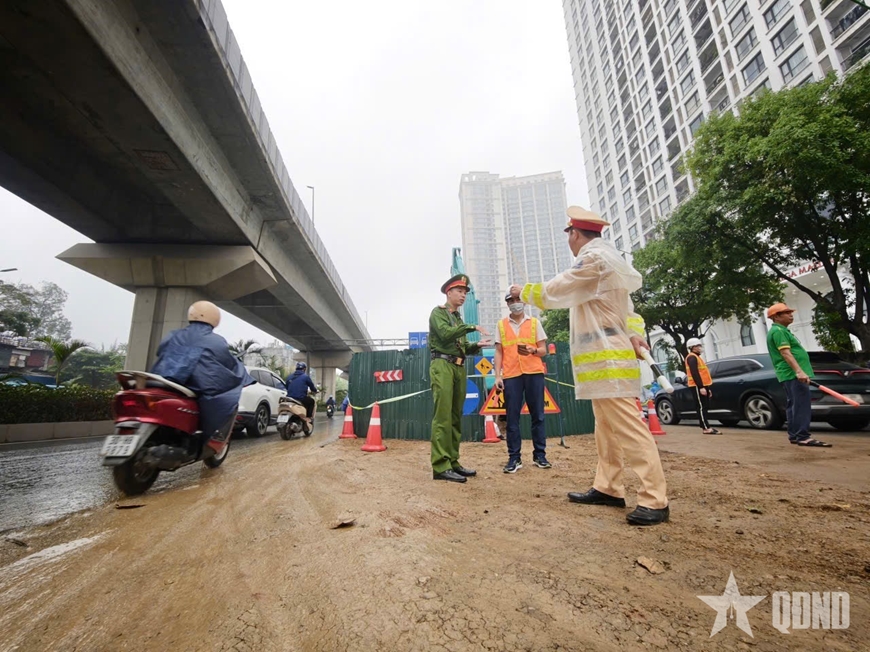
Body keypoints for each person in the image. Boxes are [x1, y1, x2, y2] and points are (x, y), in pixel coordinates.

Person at [509, 206, 669, 526]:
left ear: (576, 233)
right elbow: (631, 311)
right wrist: (636, 335)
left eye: (569, 233)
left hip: (607, 359)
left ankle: (654, 499)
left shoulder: (593, 259)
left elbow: (560, 288)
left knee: (628, 428)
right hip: (606, 360)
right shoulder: (610, 261)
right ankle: (608, 487)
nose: (569, 239)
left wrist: (523, 292)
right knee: (606, 429)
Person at [150, 301, 254, 456]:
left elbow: (161, 351)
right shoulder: (215, 340)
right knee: (223, 399)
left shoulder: (173, 334)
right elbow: (227, 362)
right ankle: (210, 439)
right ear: (214, 318)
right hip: (196, 384)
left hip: (165, 381)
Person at [429, 274, 491, 483]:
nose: (463, 295)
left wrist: (476, 345)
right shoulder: (438, 313)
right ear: (449, 292)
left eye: (465, 292)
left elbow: (461, 346)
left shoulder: (458, 319)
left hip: (458, 366)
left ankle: (453, 461)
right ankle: (440, 466)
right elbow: (446, 335)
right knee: (443, 416)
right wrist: (471, 327)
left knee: (456, 416)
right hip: (442, 365)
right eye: (459, 291)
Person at [494, 290, 550, 473]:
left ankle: (540, 455)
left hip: (533, 372)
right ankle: (514, 458)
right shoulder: (501, 325)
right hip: (511, 375)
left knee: (538, 416)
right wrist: (497, 376)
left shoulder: (534, 323)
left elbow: (543, 350)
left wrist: (533, 350)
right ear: (507, 303)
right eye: (511, 300)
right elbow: (499, 351)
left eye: (518, 299)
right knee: (512, 419)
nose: (515, 302)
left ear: (524, 302)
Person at [766, 303, 832, 447]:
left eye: (790, 312)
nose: (791, 315)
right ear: (776, 317)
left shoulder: (781, 330)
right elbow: (785, 353)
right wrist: (799, 371)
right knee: (801, 404)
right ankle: (803, 436)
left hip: (790, 374)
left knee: (794, 404)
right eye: (787, 313)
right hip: (792, 374)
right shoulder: (778, 331)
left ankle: (795, 435)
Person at [684, 337, 720, 435]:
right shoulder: (692, 357)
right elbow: (695, 373)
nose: (700, 347)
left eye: (700, 345)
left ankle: (706, 426)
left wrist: (707, 388)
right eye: (697, 346)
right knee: (701, 407)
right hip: (696, 386)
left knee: (704, 406)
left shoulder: (697, 357)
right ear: (692, 347)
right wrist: (701, 387)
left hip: (702, 385)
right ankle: (705, 428)